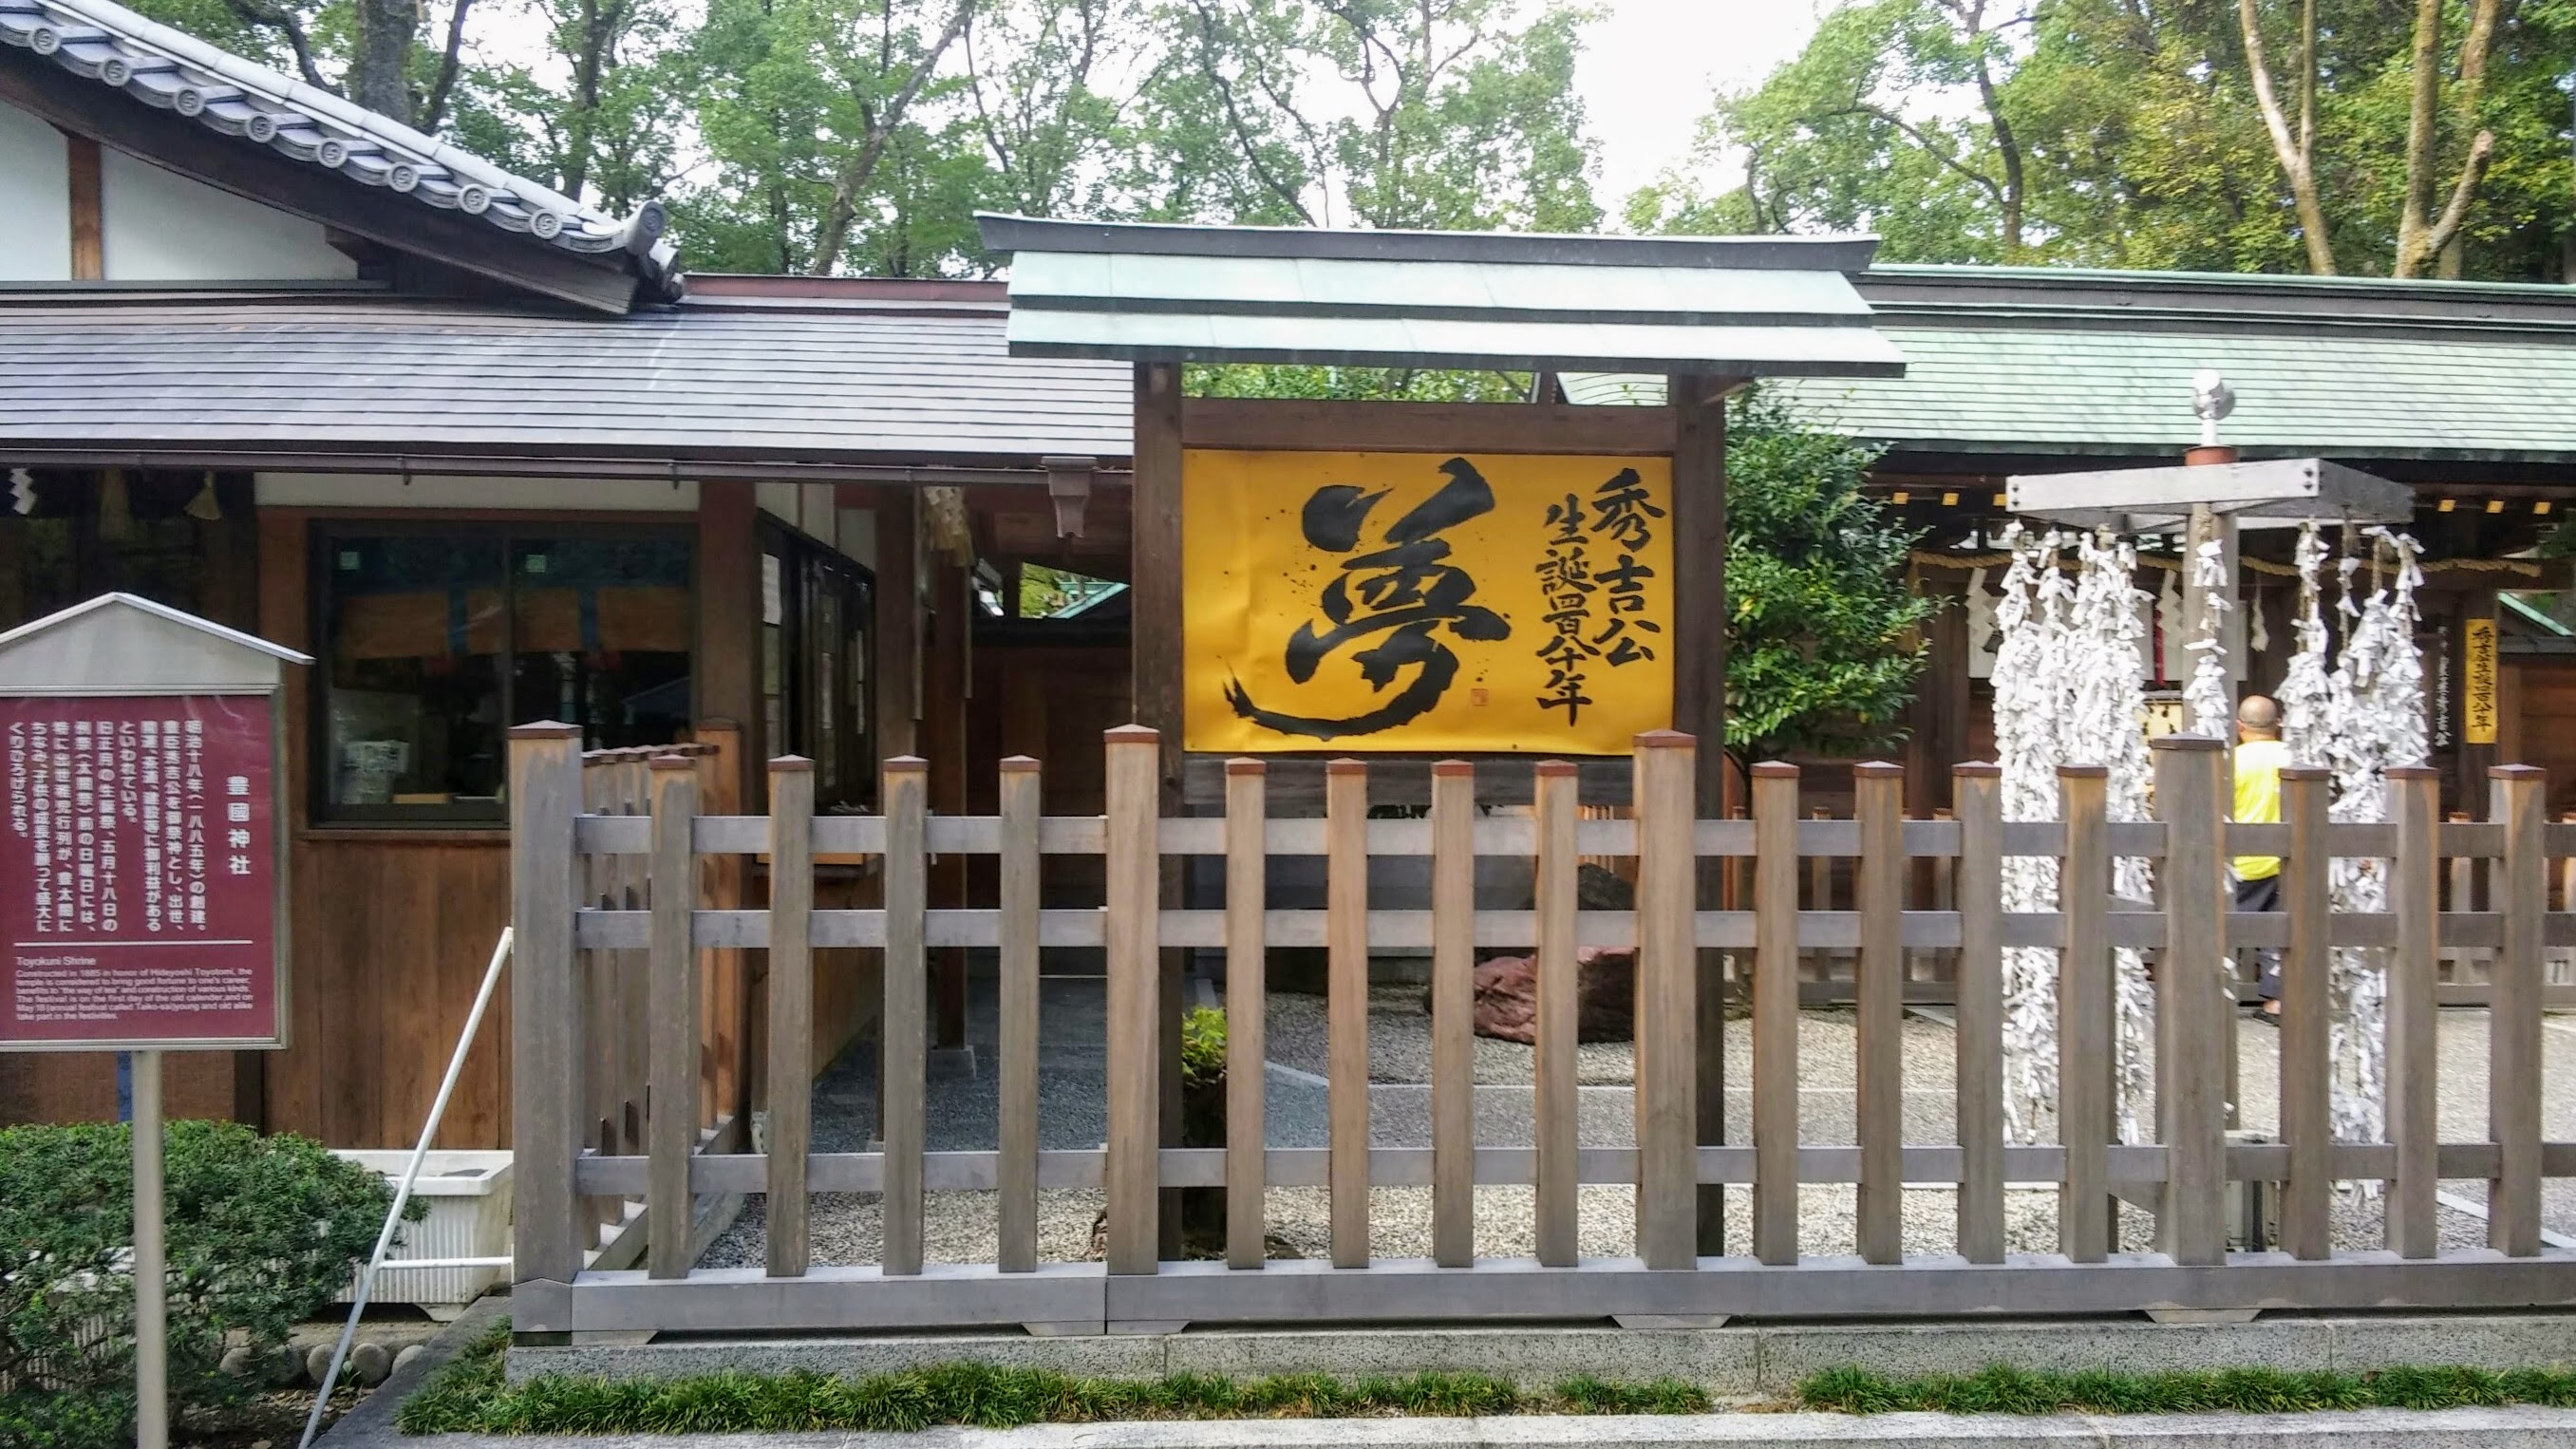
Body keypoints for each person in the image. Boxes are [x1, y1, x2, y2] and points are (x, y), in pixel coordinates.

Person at [2231, 695, 2290, 1019]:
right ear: (2277, 724)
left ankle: (2213, 999)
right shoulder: (2294, 757)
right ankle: (2276, 1002)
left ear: (2240, 727)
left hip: (2239, 861)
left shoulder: (2231, 762)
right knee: (2277, 935)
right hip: (2285, 861)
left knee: (2223, 932)